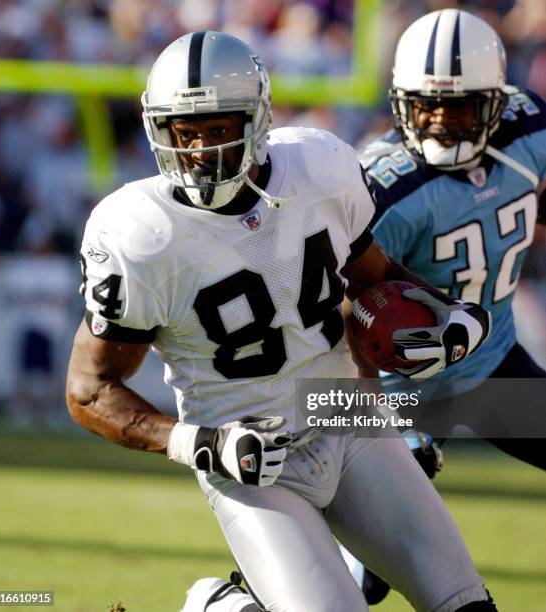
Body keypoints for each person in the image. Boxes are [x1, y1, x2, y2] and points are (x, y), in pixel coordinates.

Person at [66, 31, 495, 611]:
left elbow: (372, 274)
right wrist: (198, 443)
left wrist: (449, 313)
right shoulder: (139, 234)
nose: (200, 151)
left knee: (467, 604)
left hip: (348, 414)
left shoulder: (319, 167)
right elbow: (89, 391)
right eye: (184, 132)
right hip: (250, 454)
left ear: (259, 120)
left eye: (220, 129)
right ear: (157, 129)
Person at [349, 8, 546, 605]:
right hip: (397, 384)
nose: (440, 121)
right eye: (426, 105)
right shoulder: (383, 186)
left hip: (491, 366)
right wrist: (379, 417)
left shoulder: (530, 131)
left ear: (496, 100)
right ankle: (241, 598)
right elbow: (337, 312)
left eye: (459, 106)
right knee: (366, 577)